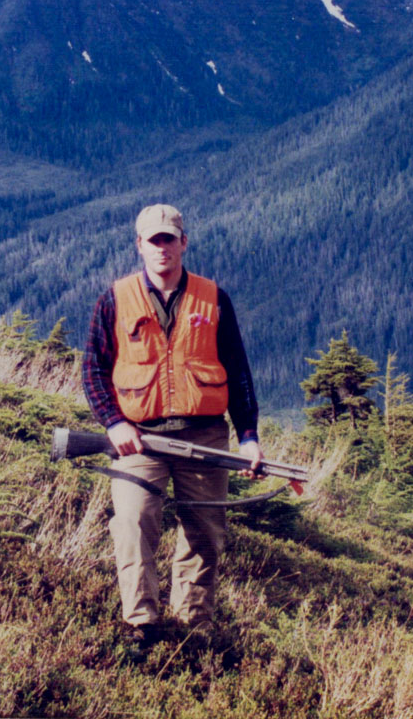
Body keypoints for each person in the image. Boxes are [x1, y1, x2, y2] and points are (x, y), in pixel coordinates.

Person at [81, 203, 263, 656]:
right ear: (139, 245)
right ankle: (141, 626)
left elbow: (238, 371)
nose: (161, 247)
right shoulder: (114, 299)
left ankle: (193, 628)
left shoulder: (214, 298)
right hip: (139, 440)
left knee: (204, 534)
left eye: (169, 239)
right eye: (153, 240)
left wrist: (249, 437)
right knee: (132, 523)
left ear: (184, 242)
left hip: (205, 436)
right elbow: (93, 370)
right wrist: (114, 422)